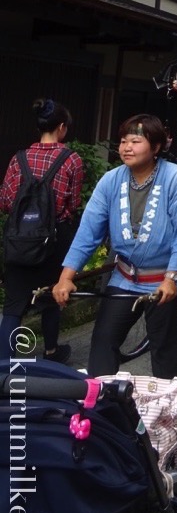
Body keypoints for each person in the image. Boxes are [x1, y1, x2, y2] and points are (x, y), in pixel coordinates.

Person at [53, 114, 177, 379]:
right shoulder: (111, 180)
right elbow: (88, 231)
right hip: (125, 278)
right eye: (124, 141)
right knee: (103, 339)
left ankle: (164, 411)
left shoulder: (176, 178)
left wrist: (172, 278)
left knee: (163, 345)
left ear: (156, 147)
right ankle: (101, 402)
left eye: (136, 141)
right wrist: (66, 276)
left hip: (164, 280)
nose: (127, 147)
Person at [0, 98, 85, 363]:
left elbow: (5, 201)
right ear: (62, 127)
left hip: (19, 239)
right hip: (55, 239)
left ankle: (4, 362)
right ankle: (51, 352)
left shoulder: (19, 159)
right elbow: (73, 204)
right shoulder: (71, 160)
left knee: (13, 305)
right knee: (51, 296)